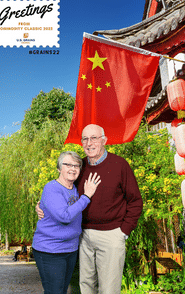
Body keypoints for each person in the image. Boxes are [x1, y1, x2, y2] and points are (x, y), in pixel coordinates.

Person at [36, 124, 143, 294]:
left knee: (108, 288)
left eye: (94, 138)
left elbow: (136, 201)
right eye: (85, 139)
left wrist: (124, 231)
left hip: (111, 234)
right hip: (83, 235)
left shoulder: (119, 165)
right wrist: (42, 205)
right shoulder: (79, 166)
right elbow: (62, 192)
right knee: (85, 285)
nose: (89, 143)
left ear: (104, 141)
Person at [32, 150, 101, 294]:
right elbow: (64, 216)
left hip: (70, 249)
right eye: (68, 164)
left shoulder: (75, 189)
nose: (72, 168)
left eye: (76, 166)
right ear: (59, 168)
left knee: (62, 290)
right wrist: (87, 196)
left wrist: (40, 205)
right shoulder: (51, 188)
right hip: (50, 250)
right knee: (55, 291)